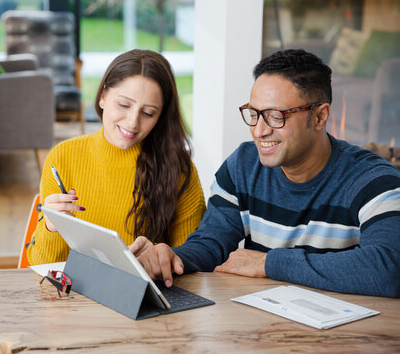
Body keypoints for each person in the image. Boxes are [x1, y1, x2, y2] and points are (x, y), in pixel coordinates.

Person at [130, 49, 400, 297]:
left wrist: (269, 262)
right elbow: (210, 244)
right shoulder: (243, 167)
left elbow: (390, 269)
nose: (259, 130)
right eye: (254, 113)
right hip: (263, 326)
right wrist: (169, 256)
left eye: (275, 116)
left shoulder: (373, 181)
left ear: (320, 117)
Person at [27, 49, 206, 265]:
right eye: (124, 105)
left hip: (145, 294)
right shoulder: (62, 158)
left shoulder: (179, 170)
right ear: (103, 97)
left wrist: (166, 257)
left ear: (161, 116)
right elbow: (40, 266)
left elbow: (194, 263)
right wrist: (51, 226)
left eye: (148, 113)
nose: (132, 122)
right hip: (74, 296)